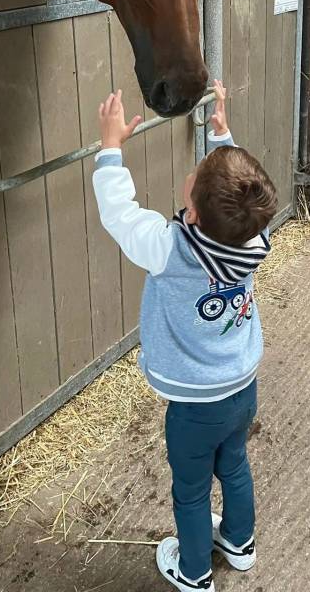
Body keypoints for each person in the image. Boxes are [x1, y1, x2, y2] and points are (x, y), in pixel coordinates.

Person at [94, 80, 278, 592]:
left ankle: (194, 572)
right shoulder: (254, 235)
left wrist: (110, 150)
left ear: (193, 212)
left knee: (192, 491)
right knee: (235, 464)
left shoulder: (169, 248)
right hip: (241, 387)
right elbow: (241, 198)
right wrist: (225, 140)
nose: (193, 168)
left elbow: (120, 216)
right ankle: (239, 544)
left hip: (195, 403)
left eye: (196, 173)